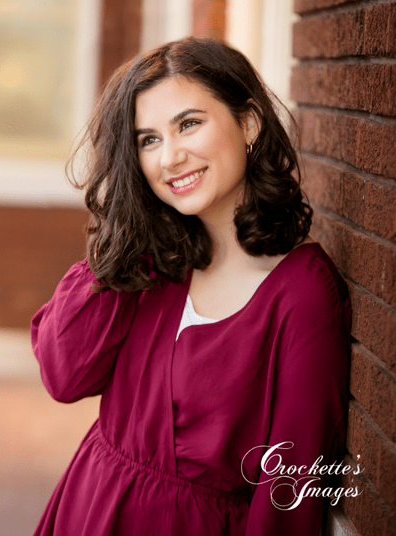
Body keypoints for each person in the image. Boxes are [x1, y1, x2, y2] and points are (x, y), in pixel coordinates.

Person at [31, 37, 350, 535]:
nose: (170, 157)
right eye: (148, 140)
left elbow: (290, 488)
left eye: (189, 124)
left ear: (249, 122)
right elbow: (63, 372)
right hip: (89, 510)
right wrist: (119, 231)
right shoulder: (152, 256)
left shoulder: (302, 293)